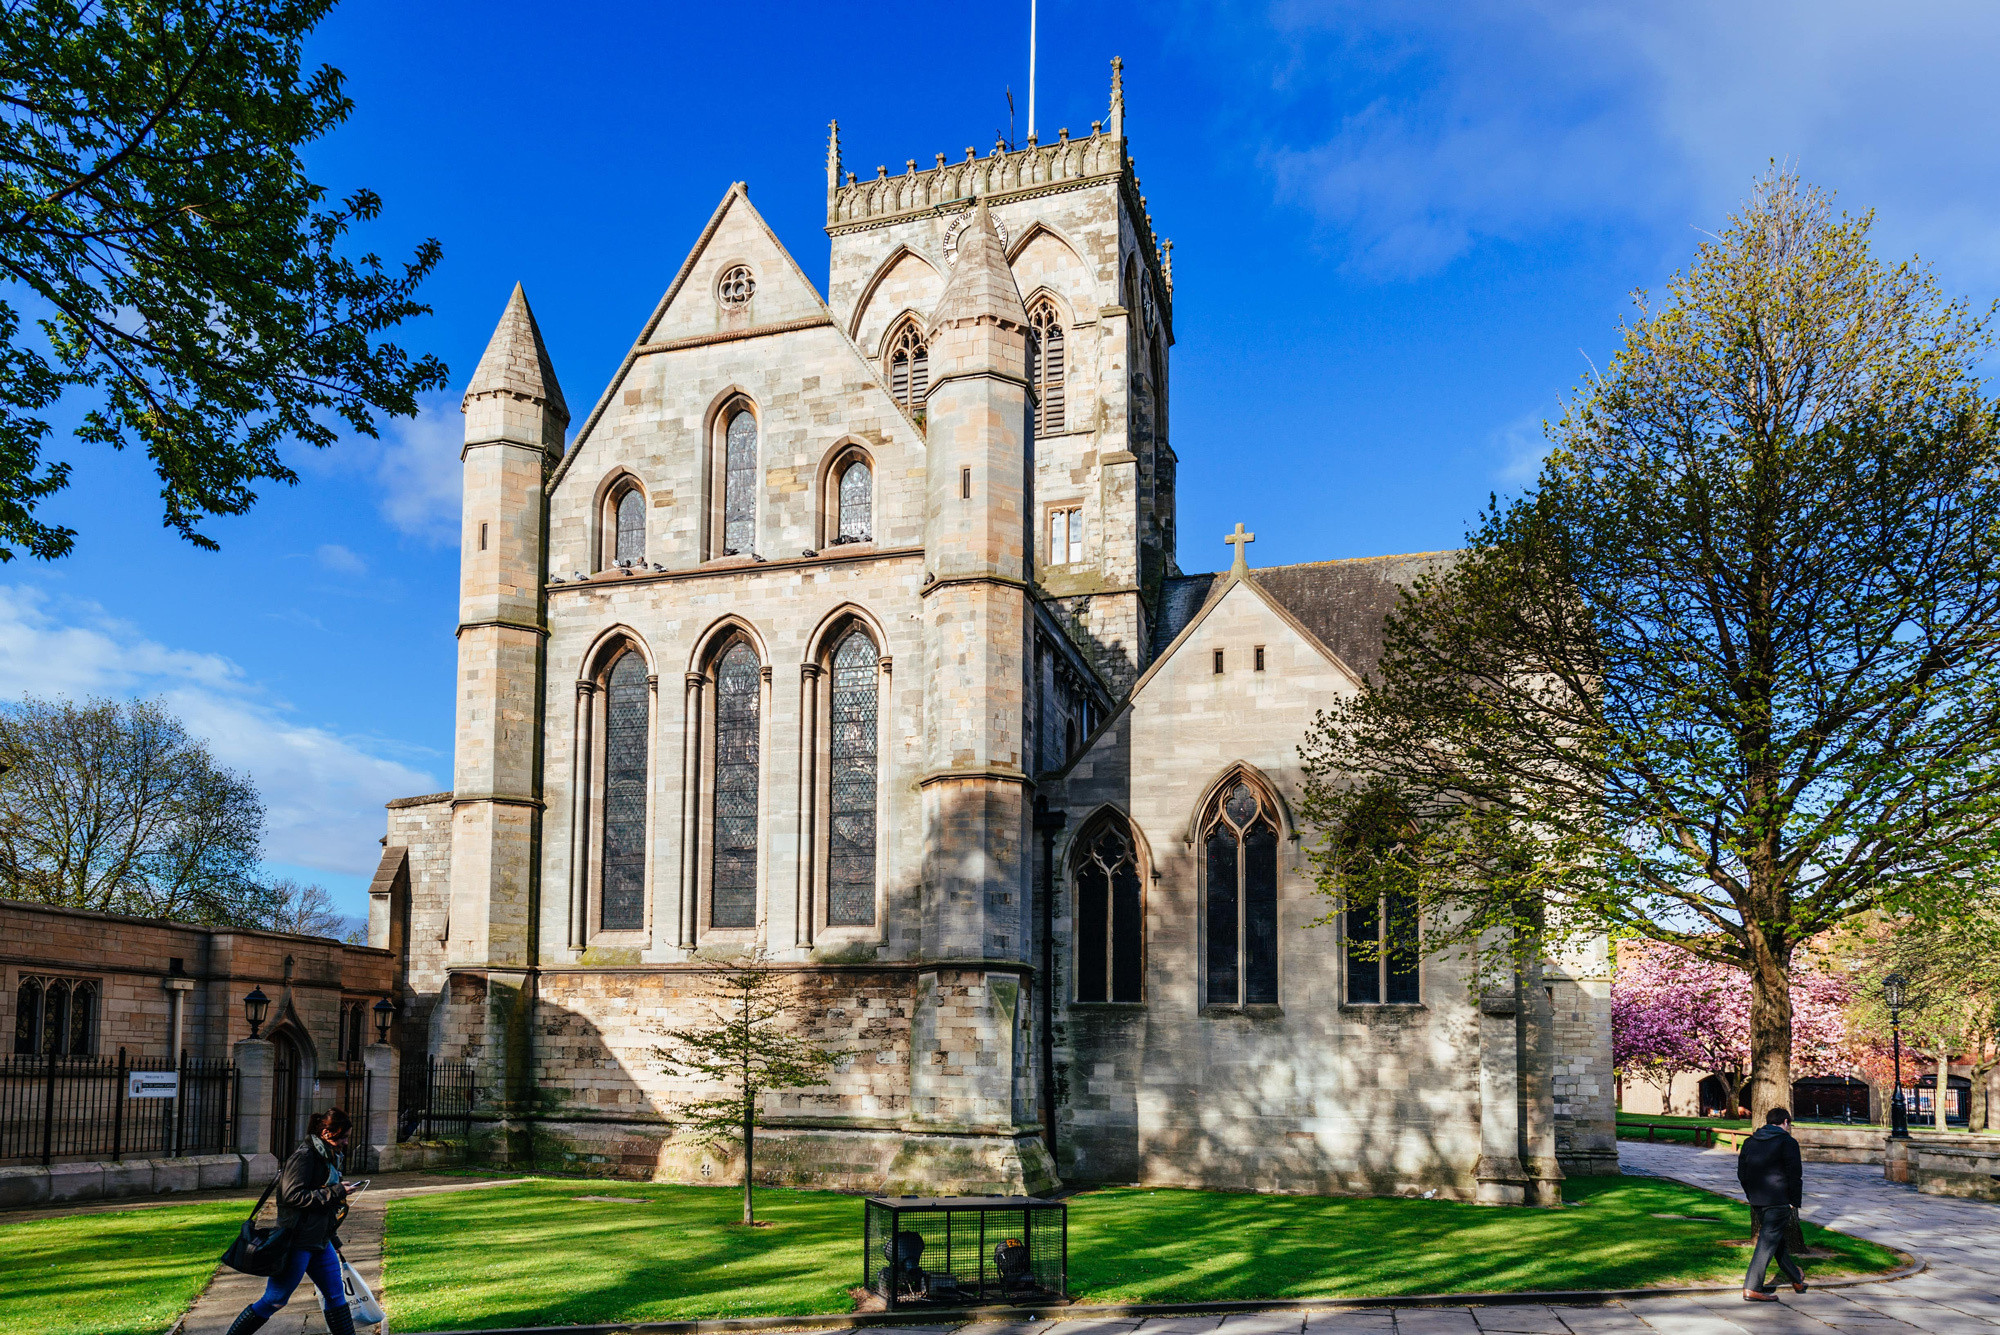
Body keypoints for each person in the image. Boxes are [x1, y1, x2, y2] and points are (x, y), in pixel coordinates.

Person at [226, 1108, 362, 1335]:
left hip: (320, 1240)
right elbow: (292, 1196)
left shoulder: (327, 1156)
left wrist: (334, 1238)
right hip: (296, 1241)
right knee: (275, 1300)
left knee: (336, 1297)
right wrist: (337, 1191)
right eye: (343, 1137)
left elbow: (322, 1206)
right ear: (327, 1133)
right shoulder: (305, 1156)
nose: (346, 1142)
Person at [1737, 1105, 1807, 1302]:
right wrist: (1794, 1201)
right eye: (1789, 1124)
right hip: (1779, 1200)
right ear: (1785, 1122)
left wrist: (1751, 1195)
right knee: (1767, 1243)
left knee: (1776, 1242)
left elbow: (1742, 1173)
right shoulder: (1787, 1142)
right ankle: (1752, 1287)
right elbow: (1795, 1174)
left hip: (1757, 1199)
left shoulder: (1750, 1142)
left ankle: (1796, 1278)